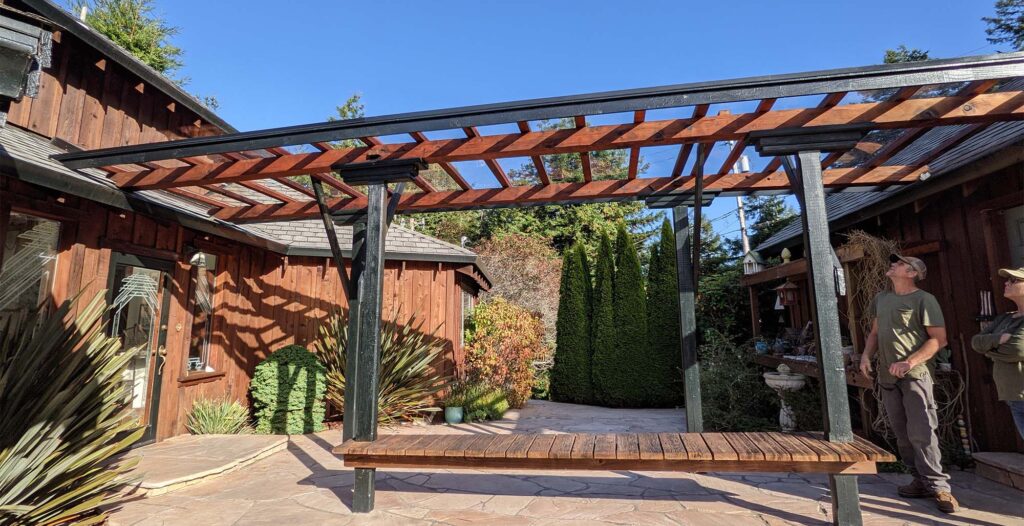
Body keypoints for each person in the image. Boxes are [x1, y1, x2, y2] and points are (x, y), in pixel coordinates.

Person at [859, 254, 959, 513]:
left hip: (915, 377)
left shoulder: (924, 300)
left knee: (922, 432)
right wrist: (866, 356)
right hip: (887, 377)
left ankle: (940, 487)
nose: (893, 264)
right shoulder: (882, 299)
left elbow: (939, 340)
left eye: (900, 263)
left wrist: (910, 362)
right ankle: (919, 479)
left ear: (912, 273)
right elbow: (874, 333)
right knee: (902, 434)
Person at [971, 267, 1024, 439]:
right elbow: (976, 342)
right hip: (1013, 395)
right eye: (1007, 279)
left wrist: (989, 350)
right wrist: (999, 339)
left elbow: (1016, 350)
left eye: (1014, 280)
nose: (1007, 283)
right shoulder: (1005, 318)